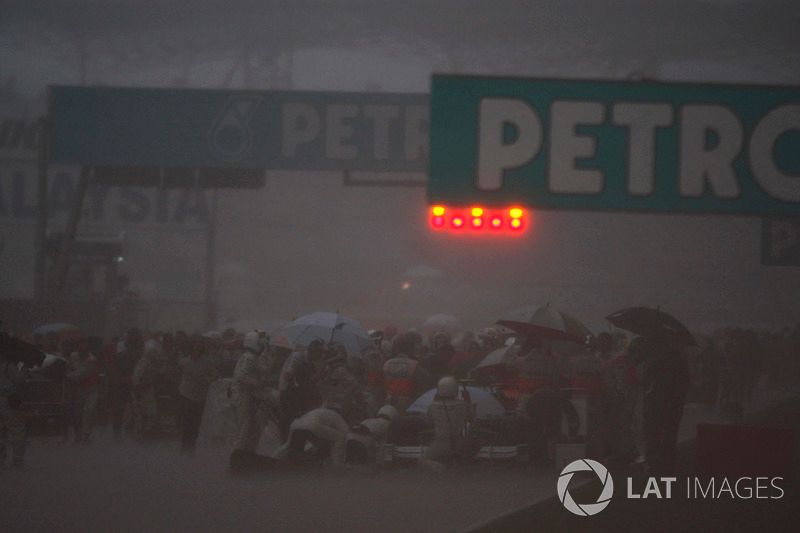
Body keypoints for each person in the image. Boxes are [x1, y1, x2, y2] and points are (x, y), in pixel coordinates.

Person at [632, 333, 690, 476]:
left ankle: (653, 464)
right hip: (675, 402)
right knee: (670, 433)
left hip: (656, 402)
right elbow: (685, 381)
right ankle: (667, 464)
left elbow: (645, 379)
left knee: (653, 433)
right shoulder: (680, 358)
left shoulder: (654, 359)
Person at [420, 376, 474, 470]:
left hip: (440, 443)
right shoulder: (463, 405)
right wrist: (468, 400)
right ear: (455, 389)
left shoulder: (432, 406)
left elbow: (428, 423)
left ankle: (441, 468)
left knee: (422, 460)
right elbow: (471, 418)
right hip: (459, 443)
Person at [230, 331, 271, 453]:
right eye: (260, 343)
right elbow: (241, 376)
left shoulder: (251, 357)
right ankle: (238, 454)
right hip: (242, 395)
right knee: (245, 427)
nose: (262, 346)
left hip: (246, 395)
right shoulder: (249, 358)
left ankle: (245, 453)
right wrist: (258, 383)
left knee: (251, 427)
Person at [177, 335, 218, 453]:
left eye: (199, 349)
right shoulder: (184, 362)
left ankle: (191, 447)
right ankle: (184, 447)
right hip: (186, 395)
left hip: (200, 397)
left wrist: (207, 380)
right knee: (186, 422)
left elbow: (215, 375)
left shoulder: (207, 362)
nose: (196, 352)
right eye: (194, 349)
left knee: (196, 423)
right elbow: (178, 375)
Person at [383, 332, 430, 413]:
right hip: (409, 404)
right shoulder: (415, 365)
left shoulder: (387, 364)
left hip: (389, 402)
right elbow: (424, 384)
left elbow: (382, 383)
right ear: (411, 350)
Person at [66, 338, 100, 443]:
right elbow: (68, 366)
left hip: (91, 389)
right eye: (80, 345)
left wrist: (66, 376)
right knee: (77, 412)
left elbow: (81, 374)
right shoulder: (73, 356)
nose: (82, 347)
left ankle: (86, 434)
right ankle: (78, 434)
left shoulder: (92, 360)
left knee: (89, 411)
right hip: (77, 389)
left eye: (84, 345)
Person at [1, 348, 28, 467]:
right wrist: (25, 369)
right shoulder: (8, 365)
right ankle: (18, 459)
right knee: (17, 430)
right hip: (8, 400)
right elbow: (19, 380)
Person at [131, 338, 160, 438]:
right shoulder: (143, 362)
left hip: (149, 389)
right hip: (140, 390)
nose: (155, 354)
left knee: (152, 412)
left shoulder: (153, 363)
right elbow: (136, 378)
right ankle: (138, 434)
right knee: (139, 414)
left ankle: (145, 432)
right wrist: (137, 391)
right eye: (153, 352)